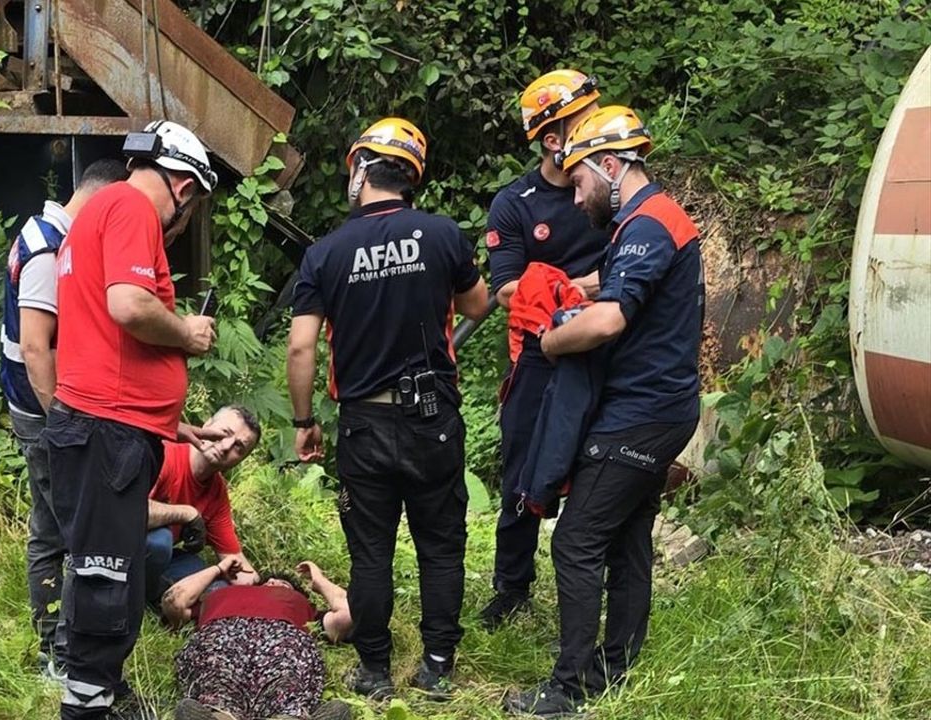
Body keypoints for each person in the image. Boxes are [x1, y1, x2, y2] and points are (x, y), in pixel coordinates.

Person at [506, 106, 704, 717]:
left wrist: (550, 339)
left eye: (580, 182)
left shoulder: (648, 226)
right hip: (662, 407)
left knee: (576, 541)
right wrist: (563, 286)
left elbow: (610, 321)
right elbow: (609, 285)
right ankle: (614, 670)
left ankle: (567, 688)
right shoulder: (648, 223)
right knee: (628, 540)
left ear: (611, 167)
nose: (576, 197)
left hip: (641, 412)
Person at [286, 117, 490, 701]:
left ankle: (374, 671)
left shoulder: (326, 253)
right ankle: (437, 667)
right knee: (441, 545)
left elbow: (301, 347)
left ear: (359, 168)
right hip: (433, 419)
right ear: (411, 177)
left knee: (370, 551)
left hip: (364, 424)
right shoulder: (443, 234)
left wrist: (304, 422)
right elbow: (478, 304)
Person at [45, 120, 222, 720]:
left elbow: (105, 345)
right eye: (192, 207)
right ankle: (87, 707)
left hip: (108, 424)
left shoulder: (96, 214)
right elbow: (128, 306)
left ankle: (105, 693)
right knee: (106, 576)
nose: (184, 220)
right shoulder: (131, 207)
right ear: (183, 186)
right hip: (106, 432)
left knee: (105, 567)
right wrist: (188, 333)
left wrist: (172, 423)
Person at [481, 69, 607, 630]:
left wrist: (561, 288)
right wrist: (580, 288)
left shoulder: (609, 189)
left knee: (602, 466)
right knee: (522, 471)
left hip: (604, 345)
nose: (595, 128)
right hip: (537, 355)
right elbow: (508, 288)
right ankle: (511, 588)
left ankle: (596, 587)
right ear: (552, 139)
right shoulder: (516, 203)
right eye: (583, 121)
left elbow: (637, 264)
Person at [0, 159, 129, 675]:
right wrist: (63, 422)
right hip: (43, 411)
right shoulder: (49, 250)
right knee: (70, 534)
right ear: (102, 199)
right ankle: (62, 655)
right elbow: (36, 348)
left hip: (35, 406)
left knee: (50, 527)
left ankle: (50, 647)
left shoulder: (42, 230)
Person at [165, 559, 354, 720]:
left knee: (286, 677)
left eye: (283, 584)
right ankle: (221, 715)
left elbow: (348, 614)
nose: (273, 582)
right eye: (268, 581)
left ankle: (286, 716)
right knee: (217, 672)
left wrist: (319, 582)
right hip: (222, 635)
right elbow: (173, 601)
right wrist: (218, 569)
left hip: (284, 640)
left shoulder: (304, 606)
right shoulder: (220, 596)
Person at [145, 404, 263, 600]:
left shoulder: (217, 492)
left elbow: (234, 560)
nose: (225, 447)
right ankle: (143, 595)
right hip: (113, 542)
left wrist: (266, 593)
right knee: (160, 542)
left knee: (210, 579)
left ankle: (164, 592)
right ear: (206, 425)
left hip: (156, 559)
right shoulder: (164, 453)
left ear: (241, 460)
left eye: (238, 447)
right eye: (224, 433)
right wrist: (187, 513)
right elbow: (127, 512)